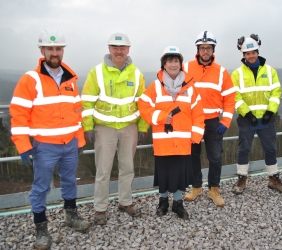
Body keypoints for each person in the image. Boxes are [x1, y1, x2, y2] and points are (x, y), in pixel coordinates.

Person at [9, 28, 90, 249]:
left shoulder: (70, 79)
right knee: (40, 187)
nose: (54, 53)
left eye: (58, 49)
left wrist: (80, 141)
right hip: (45, 147)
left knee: (69, 182)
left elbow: (77, 113)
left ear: (62, 51)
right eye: (50, 49)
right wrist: (24, 147)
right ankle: (41, 229)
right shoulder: (30, 79)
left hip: (70, 144)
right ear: (42, 50)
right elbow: (18, 115)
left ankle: (71, 216)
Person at [81, 32, 149, 225]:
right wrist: (88, 126)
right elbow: (86, 101)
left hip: (129, 127)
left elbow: (142, 103)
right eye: (115, 48)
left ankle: (125, 202)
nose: (119, 52)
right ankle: (100, 208)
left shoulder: (137, 74)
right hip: (104, 128)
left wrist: (143, 126)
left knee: (128, 167)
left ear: (128, 49)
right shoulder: (97, 72)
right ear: (109, 49)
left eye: (122, 48)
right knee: (103, 169)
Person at [138, 46, 204, 219]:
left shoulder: (190, 88)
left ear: (181, 64)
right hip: (163, 141)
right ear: (164, 64)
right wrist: (160, 116)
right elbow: (143, 106)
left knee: (179, 175)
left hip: (183, 142)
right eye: (169, 61)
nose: (173, 64)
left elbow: (198, 113)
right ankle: (163, 202)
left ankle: (177, 203)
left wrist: (196, 136)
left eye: (176, 61)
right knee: (164, 173)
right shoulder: (155, 87)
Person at [231, 34, 282, 195]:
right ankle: (242, 179)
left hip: (266, 118)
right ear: (243, 55)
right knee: (244, 149)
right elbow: (235, 97)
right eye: (247, 53)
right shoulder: (236, 74)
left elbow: (276, 92)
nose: (251, 56)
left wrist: (270, 112)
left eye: (253, 52)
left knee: (270, 149)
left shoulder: (270, 71)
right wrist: (247, 114)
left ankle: (273, 179)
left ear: (257, 52)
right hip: (246, 119)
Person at [183, 31, 236, 207]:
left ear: (213, 50)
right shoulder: (186, 67)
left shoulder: (221, 72)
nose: (205, 51)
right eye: (202, 48)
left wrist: (225, 121)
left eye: (208, 48)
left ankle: (214, 188)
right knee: (193, 156)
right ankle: (196, 186)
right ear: (198, 50)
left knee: (215, 157)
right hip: (192, 121)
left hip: (214, 121)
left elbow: (229, 98)